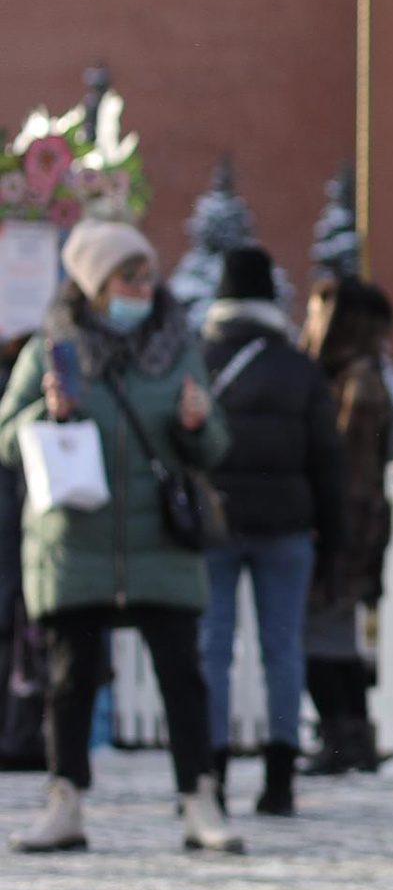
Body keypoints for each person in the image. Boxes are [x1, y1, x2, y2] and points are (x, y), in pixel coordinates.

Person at [0, 220, 240, 857]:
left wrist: (196, 423)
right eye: (127, 276)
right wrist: (44, 414)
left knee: (181, 676)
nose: (142, 286)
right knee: (70, 679)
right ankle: (66, 801)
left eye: (145, 273)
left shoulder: (177, 343)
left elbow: (214, 444)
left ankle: (199, 799)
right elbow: (5, 441)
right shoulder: (52, 348)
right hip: (75, 540)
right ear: (93, 283)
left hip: (158, 538)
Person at [197, 244, 347, 817]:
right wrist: (333, 536)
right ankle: (279, 777)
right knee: (282, 649)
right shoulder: (297, 366)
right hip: (286, 526)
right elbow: (327, 459)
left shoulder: (199, 357)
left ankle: (210, 771)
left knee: (214, 647)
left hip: (216, 524)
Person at [303, 278, 393, 773]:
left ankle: (344, 736)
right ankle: (348, 735)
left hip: (344, 525)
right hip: (346, 522)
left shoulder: (356, 382)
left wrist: (335, 526)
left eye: (318, 312)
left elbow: (348, 467)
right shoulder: (346, 375)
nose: (310, 323)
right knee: (332, 632)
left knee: (324, 630)